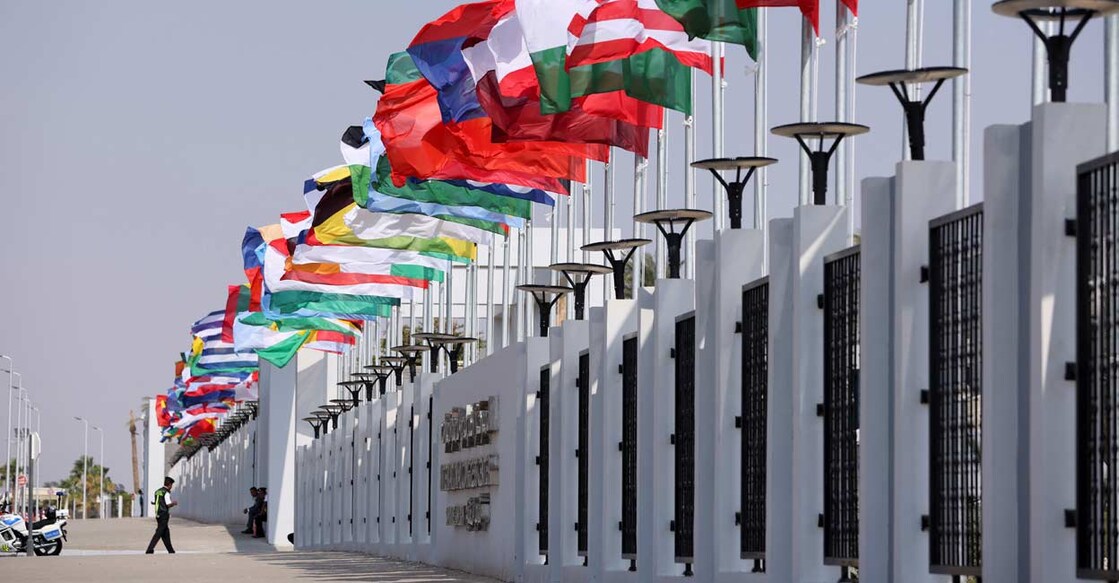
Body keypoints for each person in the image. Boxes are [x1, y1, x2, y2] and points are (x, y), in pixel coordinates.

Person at [145, 477, 177, 554]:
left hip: (158, 514)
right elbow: (168, 504)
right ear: (169, 485)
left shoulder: (157, 491)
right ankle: (149, 549)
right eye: (171, 485)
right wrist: (174, 503)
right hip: (164, 514)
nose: (171, 487)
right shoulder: (166, 492)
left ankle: (171, 550)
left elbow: (154, 502)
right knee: (159, 532)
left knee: (165, 532)